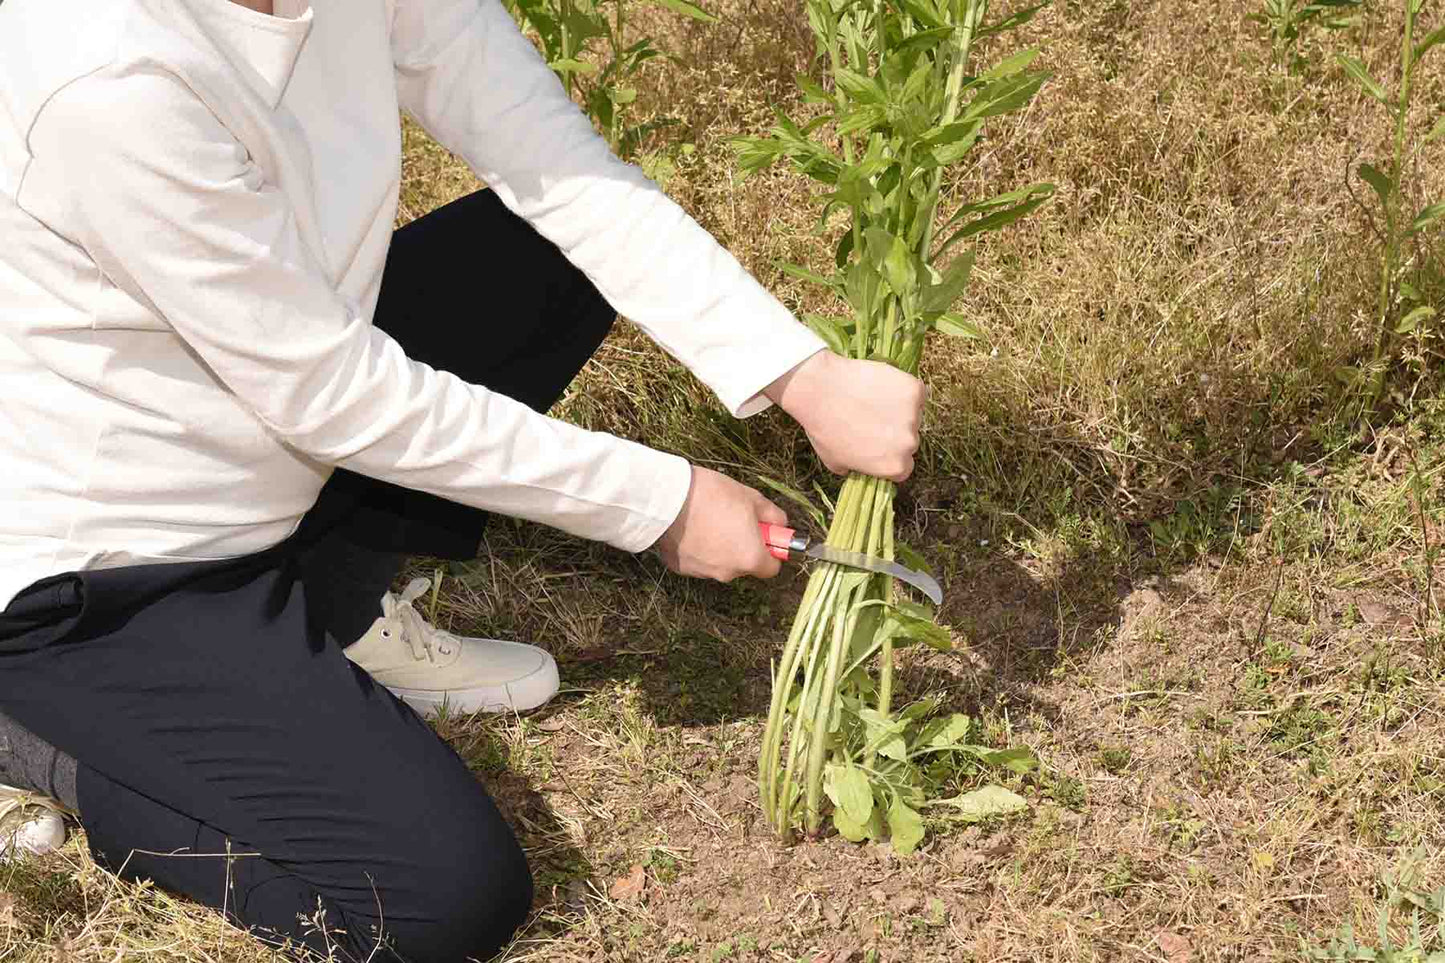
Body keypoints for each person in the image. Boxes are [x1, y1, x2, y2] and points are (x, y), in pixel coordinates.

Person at [0, 0, 925, 959]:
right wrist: (662, 503)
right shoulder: (104, 76)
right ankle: (48, 744)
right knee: (443, 901)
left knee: (546, 245)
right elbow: (338, 399)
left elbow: (556, 165)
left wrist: (802, 374)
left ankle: (335, 607)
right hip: (117, 565)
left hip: (274, 421)